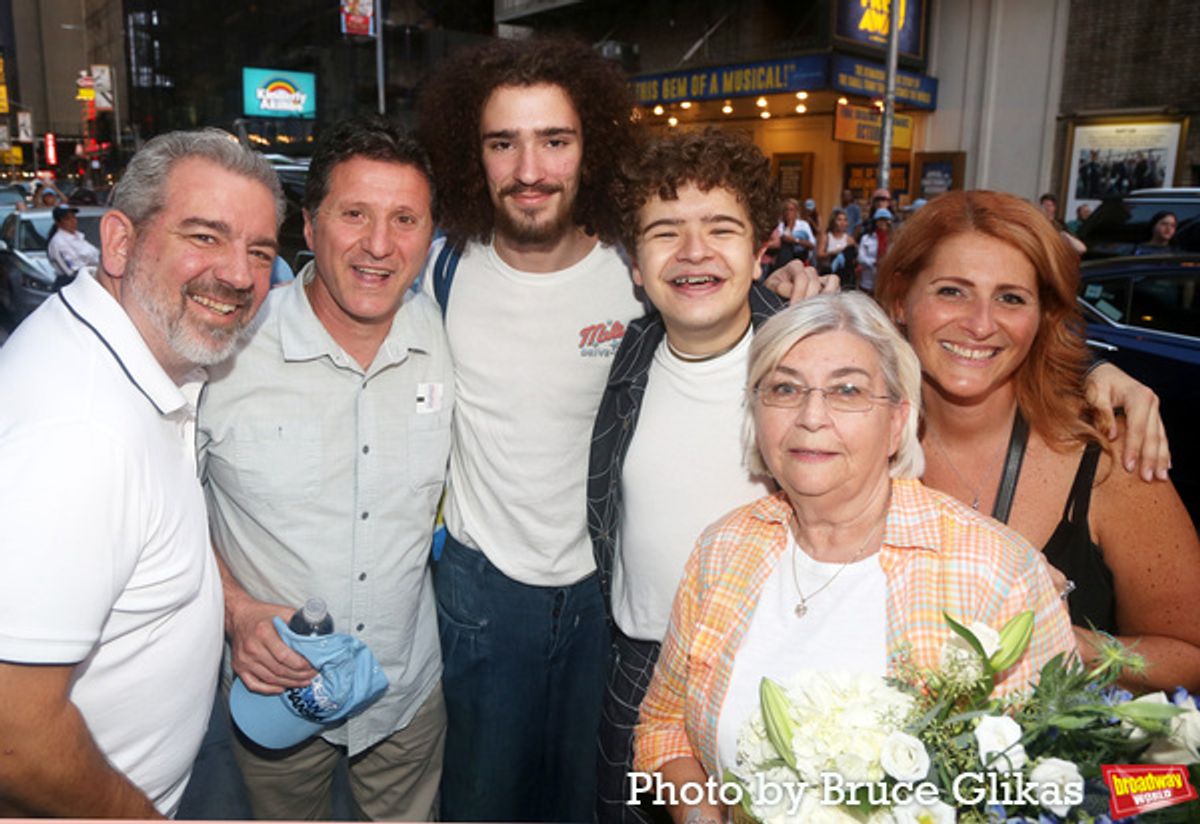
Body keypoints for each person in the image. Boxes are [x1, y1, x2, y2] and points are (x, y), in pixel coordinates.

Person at [632, 293, 1075, 822]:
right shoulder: (723, 550)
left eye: (847, 390)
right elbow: (663, 725)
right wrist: (700, 813)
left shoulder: (995, 572)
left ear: (897, 423)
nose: (811, 416)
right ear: (756, 412)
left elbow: (1057, 780)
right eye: (784, 388)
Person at [0, 129, 283, 817]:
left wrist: (235, 610)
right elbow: (12, 735)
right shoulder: (80, 434)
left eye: (260, 251)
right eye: (205, 237)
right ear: (120, 242)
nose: (241, 276)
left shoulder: (149, 358)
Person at [414, 37, 644, 822]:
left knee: (588, 805)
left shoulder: (640, 272)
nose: (530, 169)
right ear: (470, 155)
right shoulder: (437, 272)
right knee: (481, 803)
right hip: (481, 595)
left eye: (555, 139)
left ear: (593, 146)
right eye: (502, 142)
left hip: (605, 596)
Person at [198, 116, 450, 820]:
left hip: (405, 692)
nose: (379, 245)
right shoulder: (225, 350)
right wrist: (237, 611)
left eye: (405, 219)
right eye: (355, 215)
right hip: (277, 699)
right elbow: (162, 516)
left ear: (430, 236)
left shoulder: (447, 339)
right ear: (308, 227)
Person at [588, 127, 836, 824]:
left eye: (720, 229)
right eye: (664, 233)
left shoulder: (813, 357)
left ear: (761, 251)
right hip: (639, 671)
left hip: (779, 681)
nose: (693, 252)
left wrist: (1095, 373)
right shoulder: (629, 355)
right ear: (635, 265)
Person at [875, 190, 1200, 691]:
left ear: (1042, 316)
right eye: (951, 291)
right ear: (901, 298)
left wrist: (1060, 641)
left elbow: (1189, 656)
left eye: (1011, 298)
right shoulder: (849, 438)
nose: (981, 324)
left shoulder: (1106, 454)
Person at [46, 204, 100, 283]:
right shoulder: (58, 242)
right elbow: (72, 270)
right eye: (67, 219)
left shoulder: (79, 237)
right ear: (58, 223)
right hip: (73, 282)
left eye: (74, 217)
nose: (73, 221)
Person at [767, 197, 815, 271]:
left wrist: (795, 240)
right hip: (784, 259)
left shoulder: (803, 225)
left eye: (791, 210)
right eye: (786, 210)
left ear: (796, 212)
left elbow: (812, 245)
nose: (788, 212)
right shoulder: (780, 226)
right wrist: (788, 225)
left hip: (800, 257)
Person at [815, 206, 856, 283]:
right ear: (833, 221)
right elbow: (819, 255)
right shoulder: (826, 237)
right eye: (839, 220)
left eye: (845, 220)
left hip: (843, 275)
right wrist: (832, 253)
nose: (842, 223)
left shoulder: (849, 239)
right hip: (828, 272)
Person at [856, 206, 892, 293]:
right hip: (867, 280)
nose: (883, 223)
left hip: (885, 281)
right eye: (880, 220)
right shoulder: (866, 238)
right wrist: (874, 263)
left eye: (885, 220)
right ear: (875, 222)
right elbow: (861, 258)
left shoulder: (893, 239)